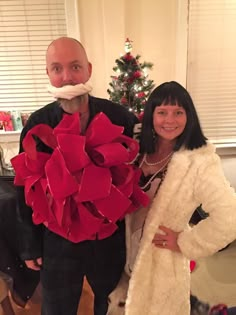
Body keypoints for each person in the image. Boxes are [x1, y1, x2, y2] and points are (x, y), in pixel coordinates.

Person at [14, 37, 139, 315]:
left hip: (109, 240)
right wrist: (29, 245)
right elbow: (26, 188)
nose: (67, 77)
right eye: (57, 69)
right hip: (58, 242)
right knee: (57, 308)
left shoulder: (120, 118)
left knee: (112, 307)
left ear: (89, 70)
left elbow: (139, 175)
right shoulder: (37, 124)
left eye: (75, 67)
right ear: (48, 74)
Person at [123, 81, 236, 315]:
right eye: (162, 112)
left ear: (189, 116)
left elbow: (229, 216)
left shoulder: (199, 160)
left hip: (162, 264)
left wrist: (186, 241)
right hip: (122, 255)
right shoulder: (137, 150)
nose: (169, 120)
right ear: (151, 116)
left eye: (178, 112)